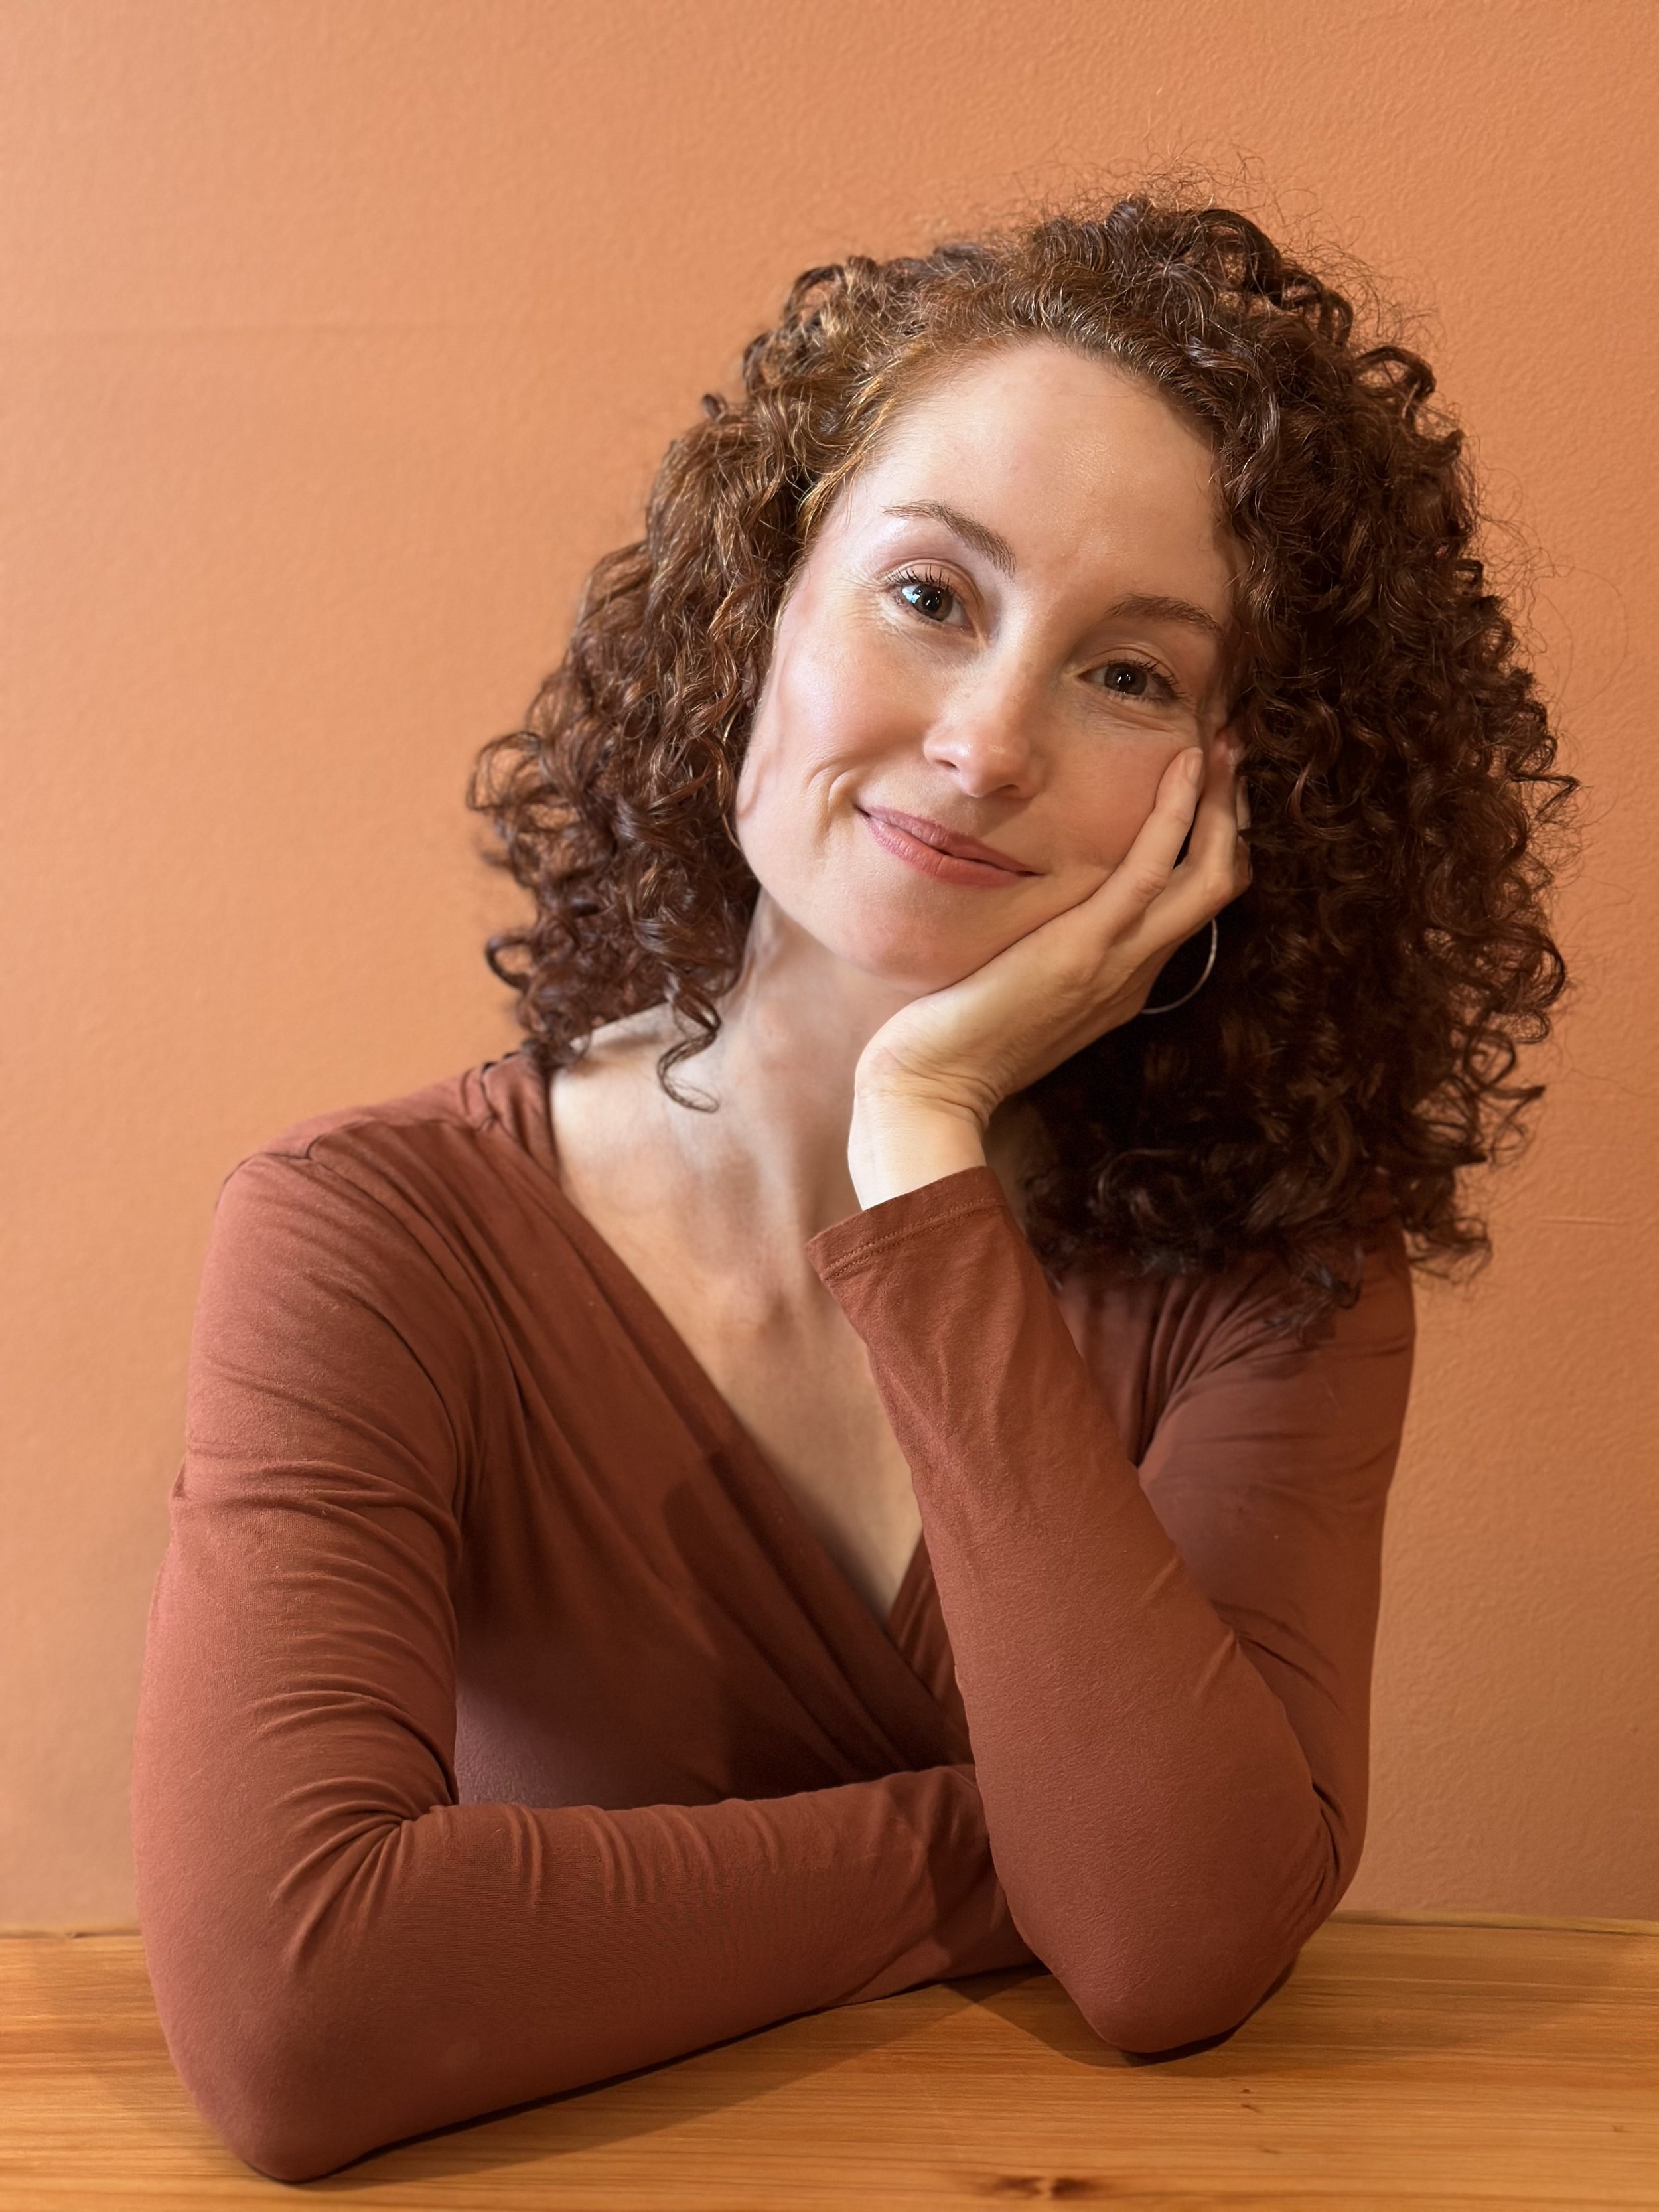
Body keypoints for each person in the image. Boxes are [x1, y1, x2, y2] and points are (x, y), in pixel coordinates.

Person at [130, 193, 1575, 2182]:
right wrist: (1023, 1847)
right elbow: (299, 2019)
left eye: (1129, 676)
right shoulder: (365, 1235)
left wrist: (922, 1141)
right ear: (764, 609)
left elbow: (1165, 1949)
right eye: (929, 596)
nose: (986, 744)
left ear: (1245, 796)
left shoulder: (1274, 1279)